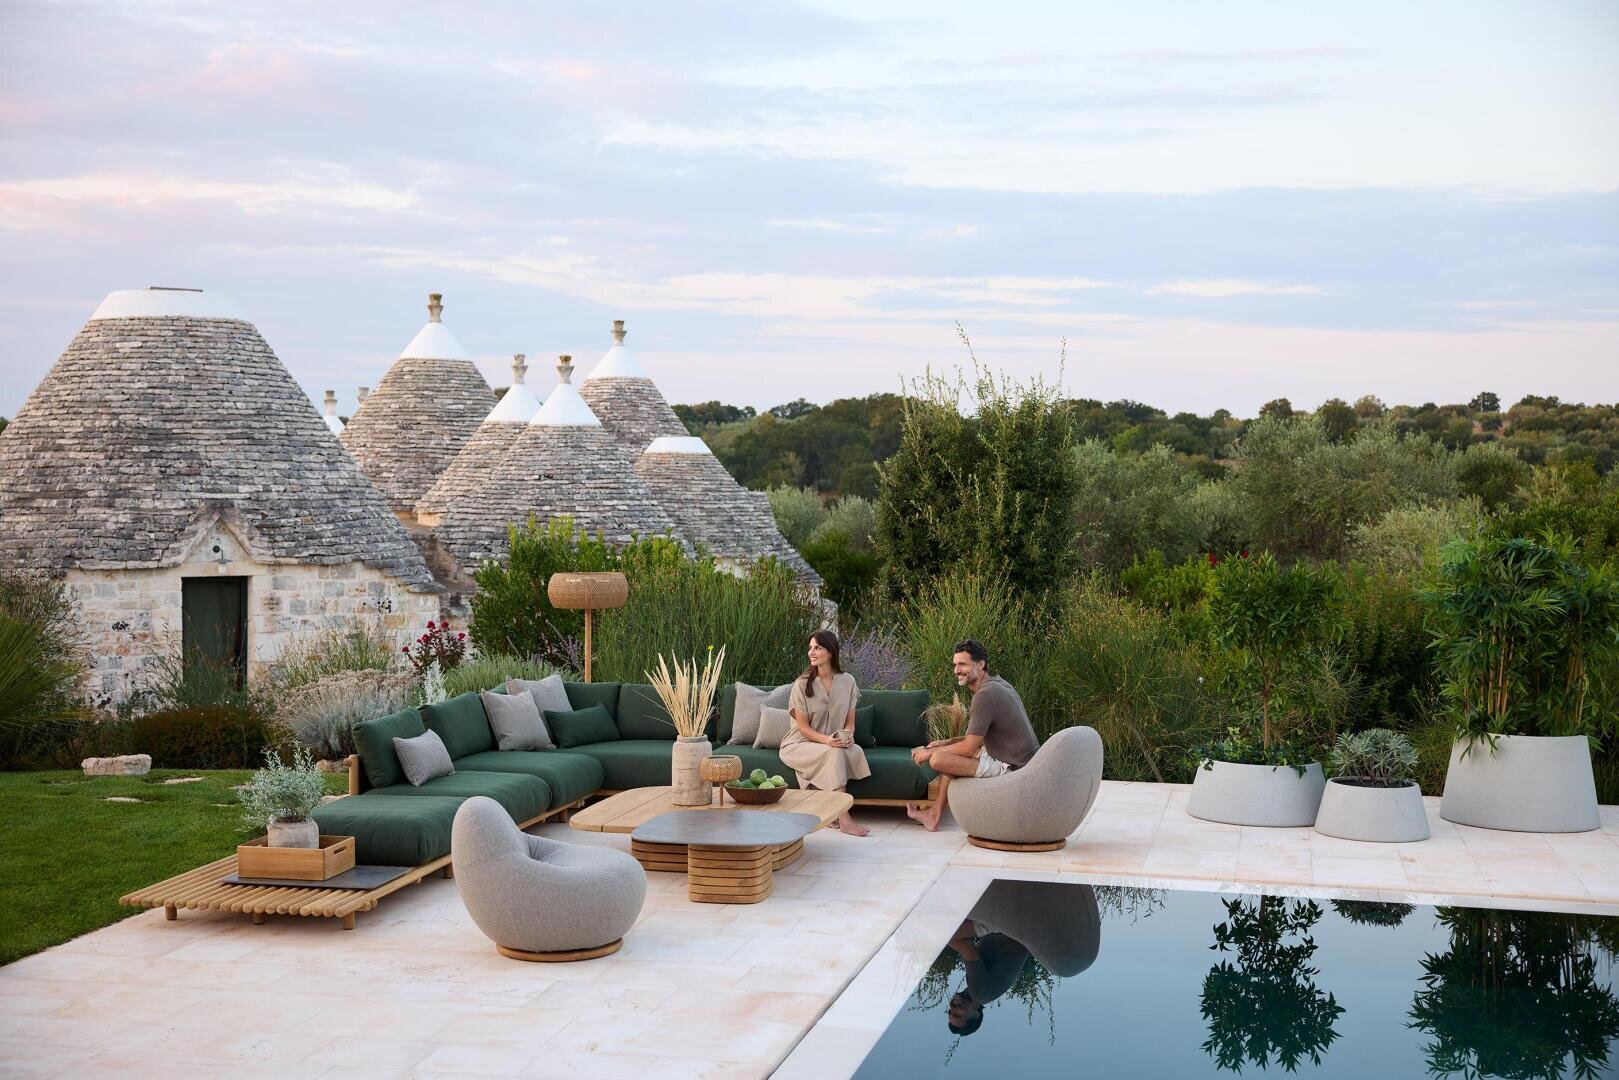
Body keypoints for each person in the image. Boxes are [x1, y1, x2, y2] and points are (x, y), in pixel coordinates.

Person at [907, 639, 1039, 832]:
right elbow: (975, 738)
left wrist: (929, 754)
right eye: (955, 665)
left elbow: (969, 748)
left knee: (938, 759)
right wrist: (946, 742)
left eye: (962, 664)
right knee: (944, 753)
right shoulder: (997, 684)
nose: (956, 670)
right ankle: (934, 815)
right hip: (1014, 757)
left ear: (980, 664)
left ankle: (934, 815)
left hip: (1012, 767)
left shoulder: (984, 696)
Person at [779, 629, 872, 836]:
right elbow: (802, 728)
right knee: (834, 754)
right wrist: (828, 742)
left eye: (817, 648)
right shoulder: (802, 684)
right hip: (799, 744)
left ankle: (824, 809)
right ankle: (844, 817)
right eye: (810, 648)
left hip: (833, 742)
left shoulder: (848, 681)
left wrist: (847, 737)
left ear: (830, 652)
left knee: (853, 750)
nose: (811, 652)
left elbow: (850, 724)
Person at [944, 916, 1031, 1038]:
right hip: (1008, 925)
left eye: (950, 1012)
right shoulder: (979, 993)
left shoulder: (986, 993)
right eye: (958, 1014)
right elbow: (967, 949)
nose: (952, 1008)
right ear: (975, 1014)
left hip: (1013, 928)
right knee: (946, 934)